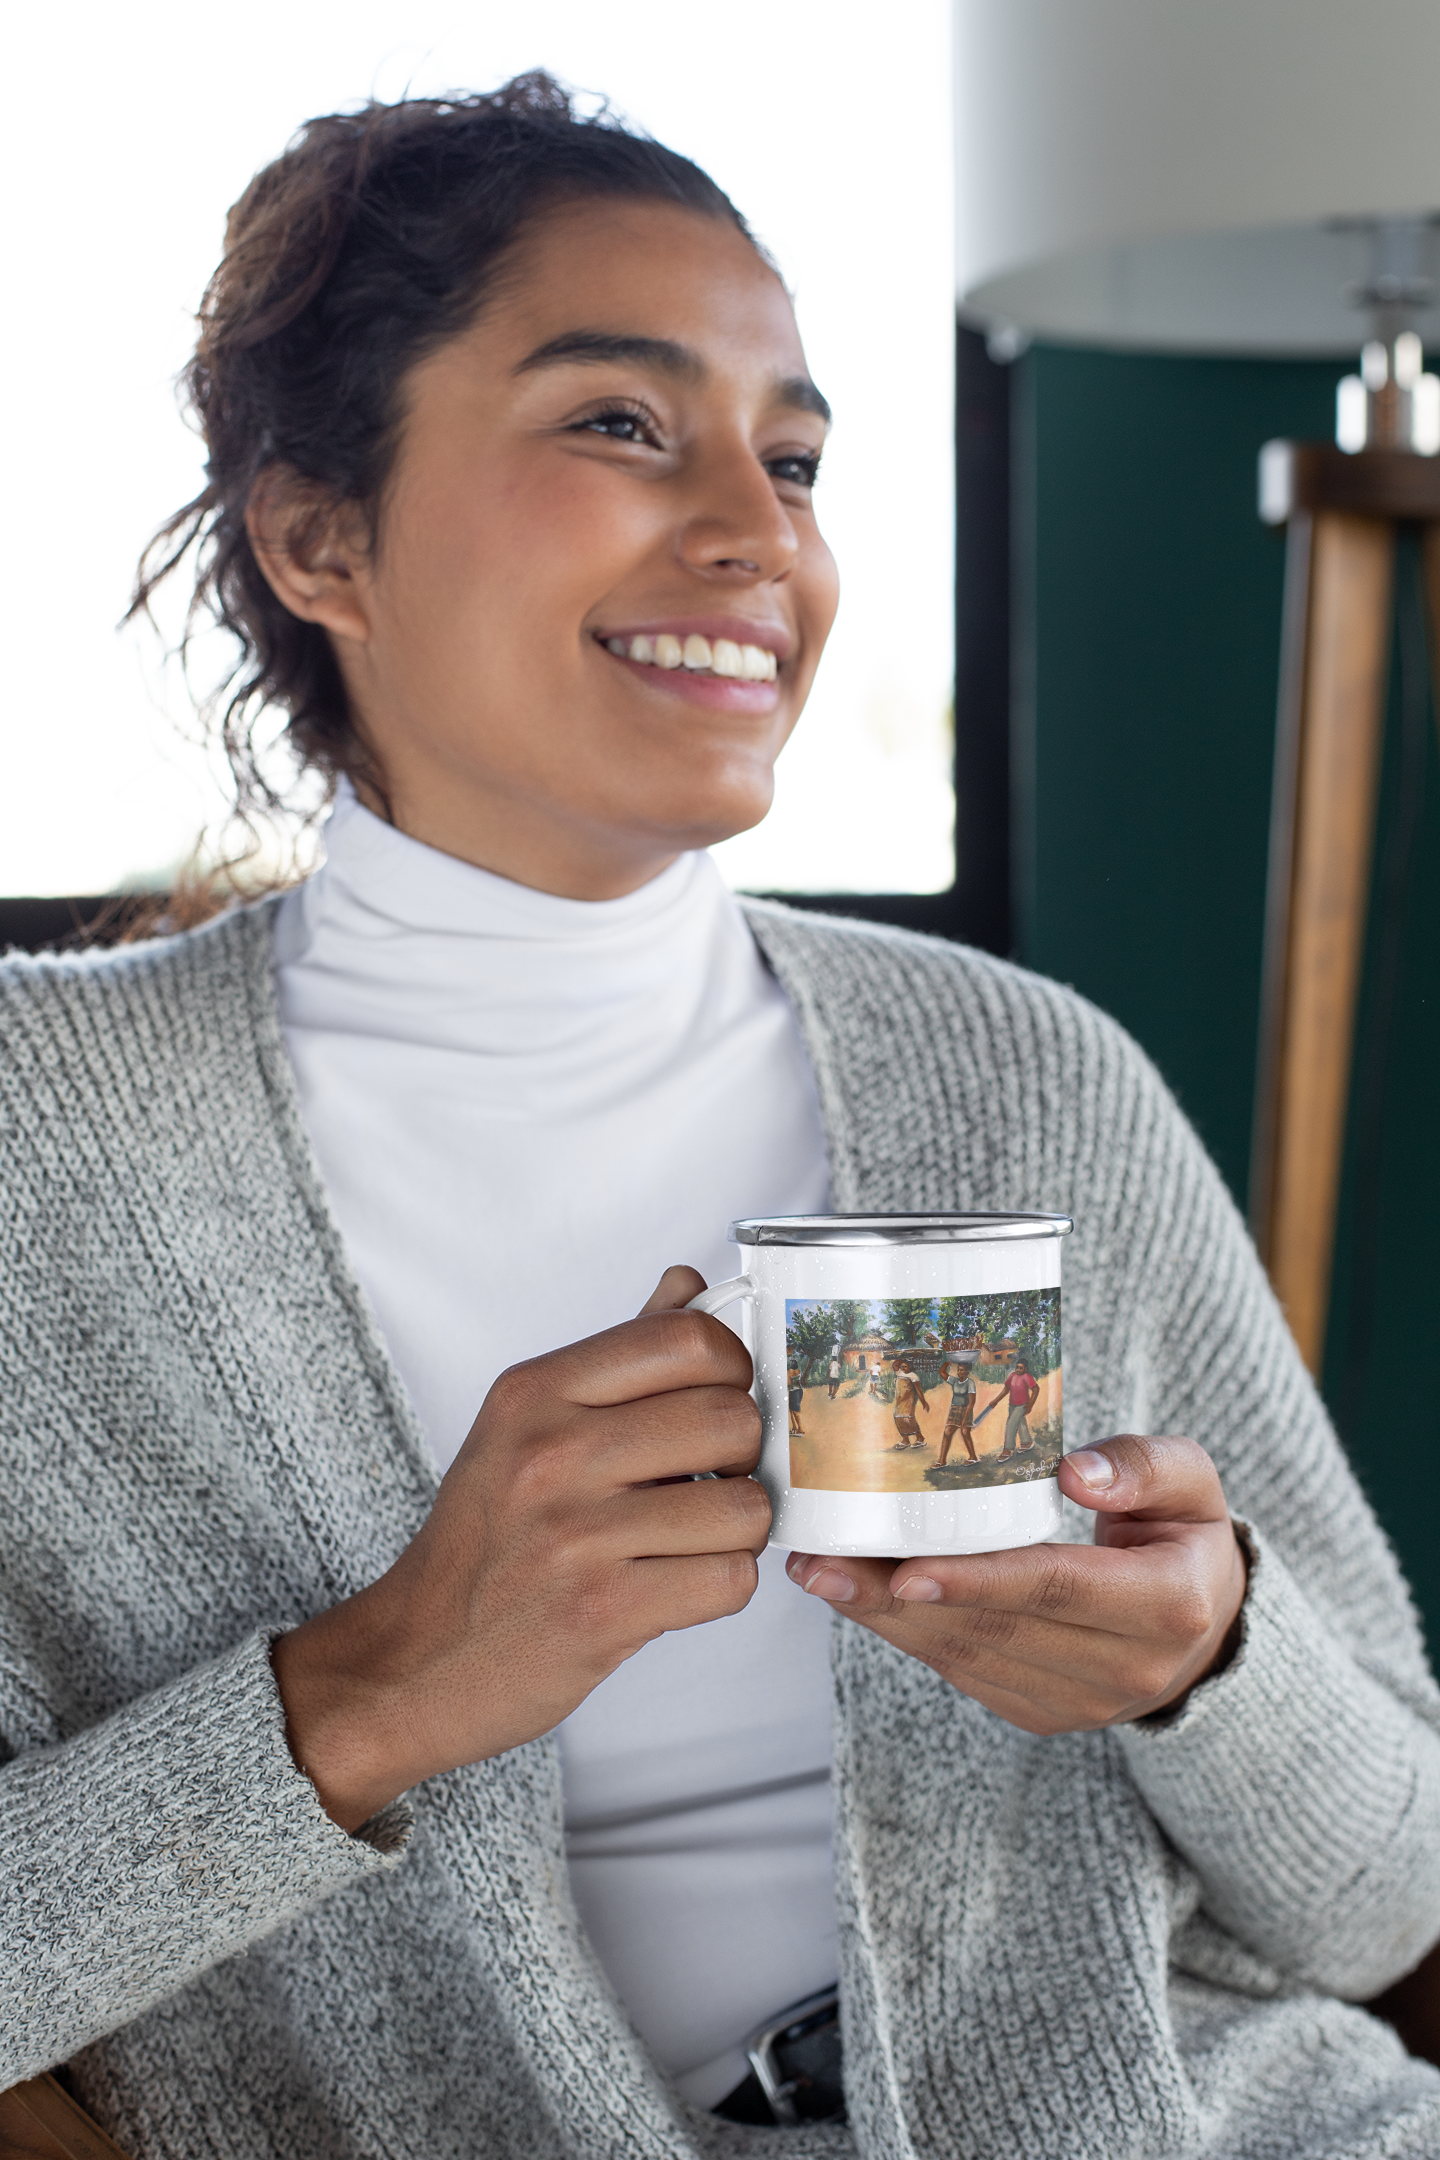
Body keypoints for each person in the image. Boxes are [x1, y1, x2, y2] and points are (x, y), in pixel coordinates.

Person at [4, 74, 1440, 2160]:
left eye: (796, 458)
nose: (760, 536)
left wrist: (1206, 1664)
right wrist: (383, 1682)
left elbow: (1396, 1898)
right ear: (320, 539)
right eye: (618, 421)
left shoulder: (1025, 1077)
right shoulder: (46, 1151)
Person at [935, 1358, 978, 1467]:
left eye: (962, 1370)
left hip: (966, 1409)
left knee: (965, 1433)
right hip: (954, 1409)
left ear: (968, 1372)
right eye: (958, 1370)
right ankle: (942, 1461)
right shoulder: (954, 1381)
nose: (959, 1372)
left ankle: (973, 1457)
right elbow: (941, 1372)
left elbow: (971, 1402)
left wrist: (964, 1418)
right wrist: (948, 1361)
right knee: (947, 1432)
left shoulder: (970, 1383)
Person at [997, 1358, 1041, 1459]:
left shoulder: (1027, 1377)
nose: (1018, 1370)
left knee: (1011, 1424)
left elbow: (1036, 1389)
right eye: (1017, 1367)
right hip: (1012, 1405)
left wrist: (1030, 1405)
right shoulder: (1012, 1375)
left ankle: (1007, 1449)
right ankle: (1027, 1443)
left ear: (1026, 1368)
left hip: (1022, 1405)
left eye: (1021, 1368)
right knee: (1021, 1423)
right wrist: (996, 1400)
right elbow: (1006, 1389)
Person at [886, 1353, 930, 1450]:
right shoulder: (899, 1373)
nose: (903, 1368)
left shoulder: (913, 1376)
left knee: (908, 1418)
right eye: (902, 1366)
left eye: (906, 1366)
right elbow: (895, 1365)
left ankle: (919, 1437)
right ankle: (905, 1440)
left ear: (911, 1367)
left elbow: (918, 1390)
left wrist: (924, 1402)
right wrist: (902, 1358)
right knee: (898, 1417)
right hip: (900, 1401)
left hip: (909, 1400)